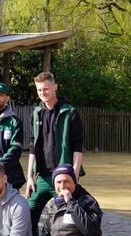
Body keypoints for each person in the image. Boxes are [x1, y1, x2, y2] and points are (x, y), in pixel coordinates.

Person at [24, 72, 85, 222]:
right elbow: (32, 145)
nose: (42, 93)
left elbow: (78, 147)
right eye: (39, 90)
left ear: (55, 87)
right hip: (42, 177)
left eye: (45, 89)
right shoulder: (36, 113)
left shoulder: (70, 112)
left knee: (66, 220)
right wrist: (29, 176)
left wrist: (74, 176)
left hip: (63, 176)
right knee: (27, 216)